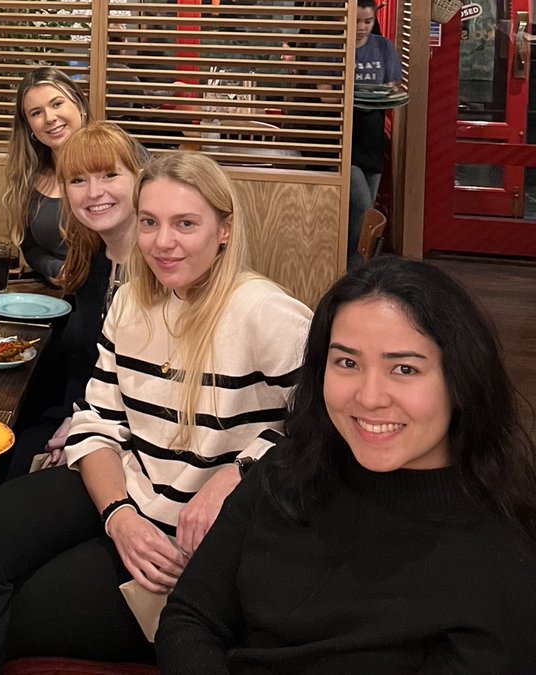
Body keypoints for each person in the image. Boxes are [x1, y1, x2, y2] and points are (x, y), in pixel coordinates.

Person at [0, 152, 312, 672]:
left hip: (198, 535)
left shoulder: (266, 314)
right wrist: (117, 515)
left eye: (185, 224)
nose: (163, 242)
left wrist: (237, 472)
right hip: (132, 489)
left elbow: (324, 426)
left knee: (23, 609)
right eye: (150, 223)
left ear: (224, 229)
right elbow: (97, 423)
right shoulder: (133, 302)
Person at [157, 256, 536, 672]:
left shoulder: (500, 558)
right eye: (347, 363)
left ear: (461, 381)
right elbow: (189, 618)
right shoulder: (286, 471)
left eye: (404, 368)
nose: (369, 397)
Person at [7, 121, 147, 476]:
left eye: (109, 175)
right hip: (84, 414)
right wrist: (74, 417)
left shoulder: (160, 269)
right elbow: (86, 363)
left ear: (140, 178)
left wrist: (84, 427)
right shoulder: (93, 258)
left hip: (136, 446)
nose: (94, 192)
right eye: (78, 180)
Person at [1, 67, 90, 283]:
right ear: (29, 125)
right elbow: (30, 247)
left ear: (78, 103)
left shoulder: (120, 156)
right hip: (56, 297)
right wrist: (56, 269)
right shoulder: (30, 173)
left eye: (57, 104)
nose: (49, 118)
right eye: (36, 113)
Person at [347, 0, 400, 268]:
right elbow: (324, 94)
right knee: (365, 212)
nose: (362, 27)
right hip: (347, 144)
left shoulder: (383, 47)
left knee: (362, 218)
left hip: (374, 142)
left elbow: (389, 91)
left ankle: (357, 270)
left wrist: (368, 96)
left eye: (367, 21)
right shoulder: (336, 48)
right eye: (357, 21)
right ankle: (355, 272)